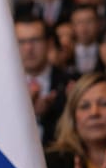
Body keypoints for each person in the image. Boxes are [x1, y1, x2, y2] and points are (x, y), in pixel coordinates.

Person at [15, 15, 70, 146]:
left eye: (35, 40)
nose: (28, 48)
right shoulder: (3, 87)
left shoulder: (68, 83)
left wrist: (48, 114)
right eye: (21, 42)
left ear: (49, 43)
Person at [71, 4, 101, 75]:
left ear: (98, 24)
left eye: (89, 21)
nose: (84, 27)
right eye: (79, 22)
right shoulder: (65, 54)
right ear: (72, 25)